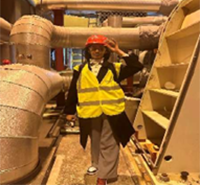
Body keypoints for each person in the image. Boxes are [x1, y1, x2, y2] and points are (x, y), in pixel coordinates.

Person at [64, 35, 143, 185]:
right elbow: (74, 90)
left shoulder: (114, 68)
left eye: (100, 48)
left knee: (110, 142)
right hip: (90, 111)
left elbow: (137, 67)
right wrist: (69, 111)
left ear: (105, 51)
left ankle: (104, 175)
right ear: (88, 50)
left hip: (112, 111)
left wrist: (119, 51)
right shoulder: (79, 69)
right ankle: (97, 164)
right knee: (95, 140)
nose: (97, 51)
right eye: (93, 48)